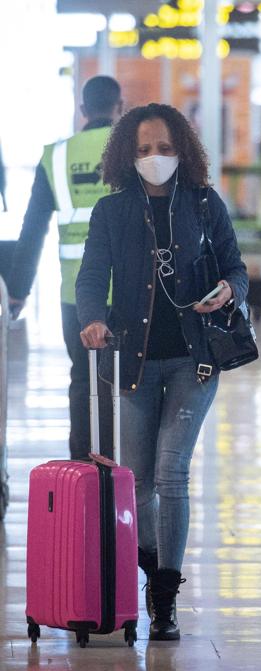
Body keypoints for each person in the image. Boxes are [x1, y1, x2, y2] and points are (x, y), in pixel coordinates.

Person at [77, 103, 249, 641]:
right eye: (146, 149)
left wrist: (230, 291)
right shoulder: (111, 212)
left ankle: (165, 595)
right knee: (141, 482)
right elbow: (90, 280)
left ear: (185, 152)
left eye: (167, 148)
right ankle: (151, 564)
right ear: (129, 155)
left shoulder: (203, 204)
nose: (157, 158)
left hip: (195, 362)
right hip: (132, 365)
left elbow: (235, 267)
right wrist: (93, 320)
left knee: (173, 472)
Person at [13, 76, 124, 461]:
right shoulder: (131, 150)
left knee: (83, 378)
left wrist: (18, 288)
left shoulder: (56, 157)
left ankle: (83, 465)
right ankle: (124, 468)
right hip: (128, 289)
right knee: (130, 382)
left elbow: (33, 226)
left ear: (82, 110)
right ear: (119, 108)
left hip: (75, 293)